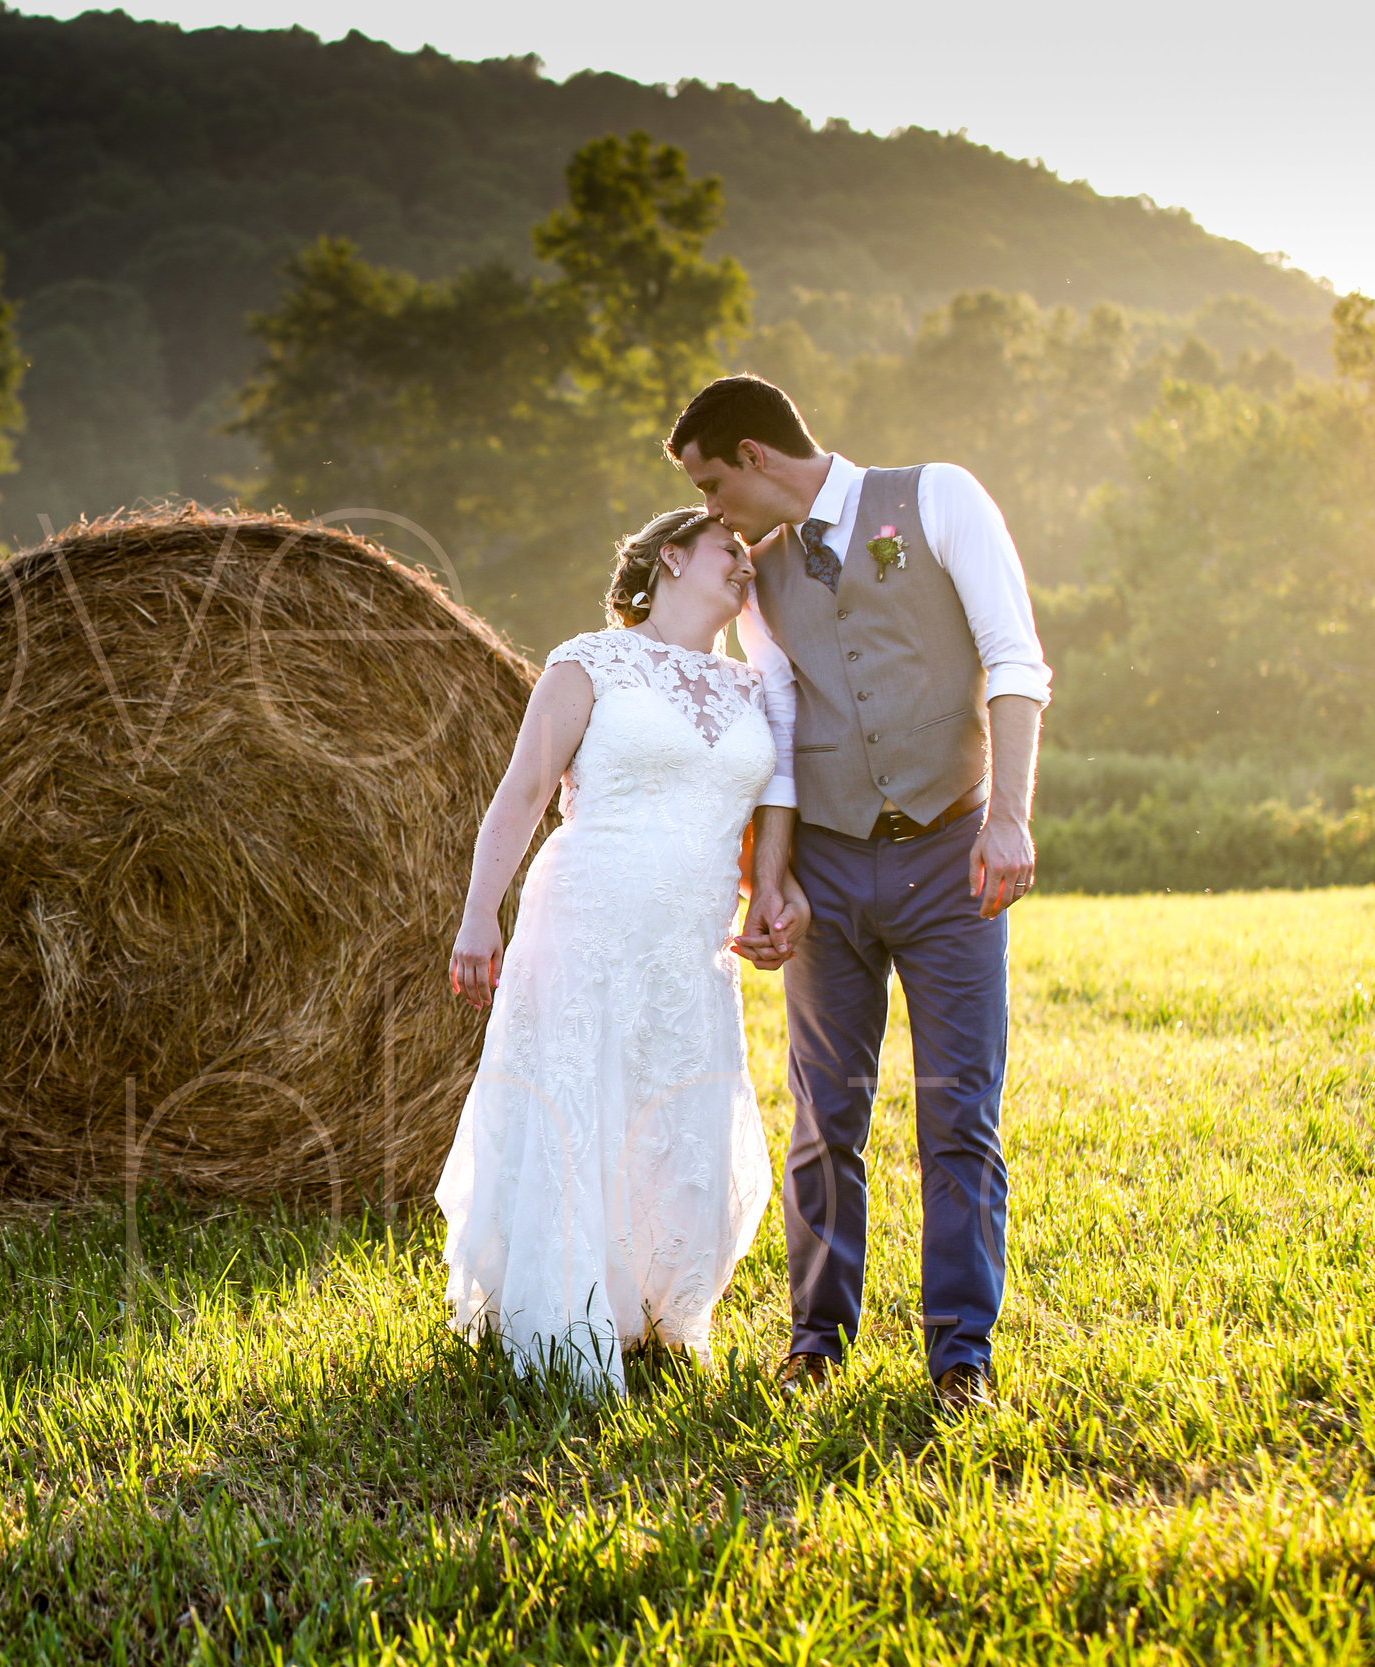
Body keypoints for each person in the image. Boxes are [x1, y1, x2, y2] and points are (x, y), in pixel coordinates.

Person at [666, 374, 1051, 1413]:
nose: (711, 512)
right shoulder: (760, 578)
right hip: (828, 866)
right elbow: (781, 730)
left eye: (710, 482)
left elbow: (1016, 662)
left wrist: (1007, 816)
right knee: (823, 1112)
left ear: (751, 454)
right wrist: (773, 870)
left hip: (950, 853)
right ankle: (815, 1336)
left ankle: (958, 1351)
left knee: (957, 1113)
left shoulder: (937, 499)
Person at [433, 507, 789, 1394]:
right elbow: (521, 794)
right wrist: (481, 914)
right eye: (728, 549)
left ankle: (660, 1312)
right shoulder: (589, 661)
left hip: (690, 940)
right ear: (672, 556)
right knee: (581, 1103)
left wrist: (776, 894)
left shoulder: (754, 689)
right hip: (589, 917)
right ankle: (564, 1315)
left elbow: (759, 817)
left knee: (674, 1115)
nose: (746, 565)